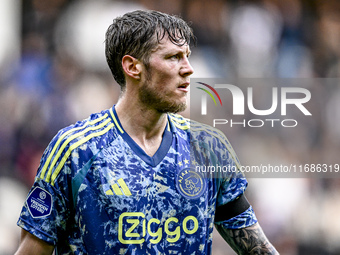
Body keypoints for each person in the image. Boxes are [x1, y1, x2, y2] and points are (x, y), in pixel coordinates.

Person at [15, 10, 279, 255]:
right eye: (173, 57)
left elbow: (258, 248)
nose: (188, 68)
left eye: (187, 56)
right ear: (133, 67)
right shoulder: (76, 150)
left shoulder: (208, 147)